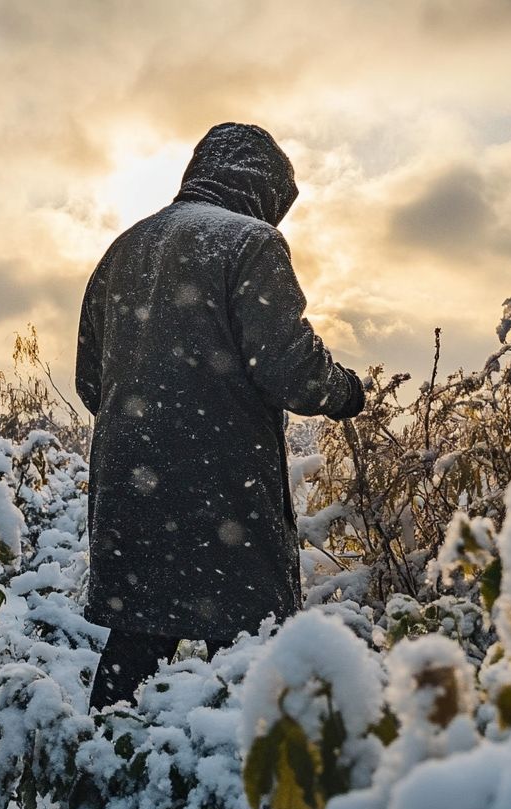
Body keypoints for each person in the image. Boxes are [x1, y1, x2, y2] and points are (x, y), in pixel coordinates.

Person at [75, 122, 365, 710]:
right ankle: (249, 791)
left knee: (133, 650)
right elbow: (292, 370)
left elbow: (90, 384)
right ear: (263, 189)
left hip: (131, 493)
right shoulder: (251, 244)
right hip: (223, 491)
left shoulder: (122, 249)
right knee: (251, 659)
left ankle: (97, 776)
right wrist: (346, 393)